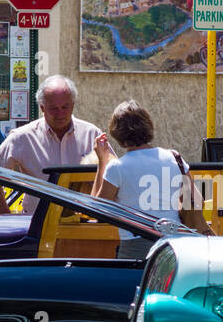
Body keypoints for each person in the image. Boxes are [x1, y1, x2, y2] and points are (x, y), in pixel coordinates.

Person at [91, 100, 214, 257]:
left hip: (136, 245)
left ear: (117, 134)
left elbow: (97, 210)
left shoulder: (117, 167)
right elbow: (195, 200)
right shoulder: (174, 158)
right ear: (148, 126)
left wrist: (102, 159)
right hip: (174, 242)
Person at [0, 74, 103, 214]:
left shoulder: (92, 134)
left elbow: (114, 178)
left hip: (83, 228)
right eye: (53, 108)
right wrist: (5, 216)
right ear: (42, 107)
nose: (60, 113)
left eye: (65, 107)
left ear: (73, 104)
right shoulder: (22, 137)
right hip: (38, 229)